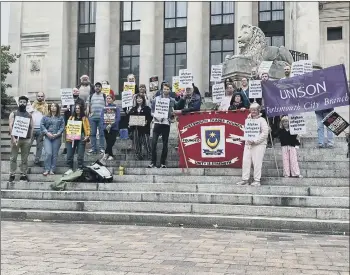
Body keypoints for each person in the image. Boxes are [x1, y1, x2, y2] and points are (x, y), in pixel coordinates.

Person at [236, 103, 269, 186]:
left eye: (255, 109)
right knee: (246, 162)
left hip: (259, 144)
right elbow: (247, 132)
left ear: (258, 110)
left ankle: (257, 180)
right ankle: (245, 179)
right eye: (251, 109)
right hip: (248, 144)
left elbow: (265, 133)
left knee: (257, 162)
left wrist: (255, 140)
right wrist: (247, 139)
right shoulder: (248, 120)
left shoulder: (262, 120)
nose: (253, 111)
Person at [149, 83, 176, 168]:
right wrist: (156, 116)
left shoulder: (172, 100)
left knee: (165, 144)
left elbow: (175, 110)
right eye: (164, 89)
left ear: (170, 90)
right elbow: (152, 111)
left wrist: (172, 116)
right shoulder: (156, 99)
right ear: (161, 90)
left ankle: (162, 163)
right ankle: (153, 162)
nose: (166, 90)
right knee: (153, 143)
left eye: (167, 89)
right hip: (157, 123)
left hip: (166, 123)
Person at [8, 95, 34, 183]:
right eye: (21, 102)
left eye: (24, 102)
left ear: (26, 103)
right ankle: (12, 174)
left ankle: (23, 174)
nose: (22, 103)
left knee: (24, 158)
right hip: (15, 139)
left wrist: (30, 138)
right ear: (18, 103)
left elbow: (32, 127)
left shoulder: (29, 115)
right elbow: (10, 125)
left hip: (26, 139)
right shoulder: (13, 113)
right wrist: (13, 138)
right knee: (13, 158)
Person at [65, 104, 90, 176]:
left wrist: (87, 136)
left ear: (81, 109)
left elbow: (88, 128)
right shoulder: (71, 117)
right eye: (76, 108)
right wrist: (68, 130)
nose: (77, 109)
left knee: (80, 155)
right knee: (69, 154)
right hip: (71, 137)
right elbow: (67, 126)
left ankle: (80, 168)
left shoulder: (84, 118)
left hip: (81, 137)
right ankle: (70, 168)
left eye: (78, 108)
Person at [40, 103, 65, 176]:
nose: (53, 107)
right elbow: (42, 125)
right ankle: (47, 169)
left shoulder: (60, 117)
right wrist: (47, 133)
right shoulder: (45, 117)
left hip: (56, 137)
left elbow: (62, 127)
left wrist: (58, 133)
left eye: (55, 106)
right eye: (52, 106)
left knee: (54, 154)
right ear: (50, 108)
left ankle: (52, 169)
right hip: (48, 137)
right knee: (48, 153)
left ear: (57, 108)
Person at [61, 88, 85, 154]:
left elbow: (84, 110)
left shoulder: (81, 101)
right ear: (72, 92)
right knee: (67, 133)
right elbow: (61, 109)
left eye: (77, 91)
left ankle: (77, 147)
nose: (75, 92)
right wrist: (67, 108)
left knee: (77, 132)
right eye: (74, 91)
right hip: (68, 118)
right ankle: (66, 147)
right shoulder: (67, 100)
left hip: (78, 119)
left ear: (79, 93)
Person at [129, 94, 153, 160]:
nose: (139, 99)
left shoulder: (147, 108)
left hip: (144, 128)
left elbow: (150, 117)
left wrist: (147, 121)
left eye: (140, 98)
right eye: (137, 98)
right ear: (135, 100)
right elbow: (129, 118)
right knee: (137, 143)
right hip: (135, 129)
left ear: (143, 100)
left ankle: (150, 155)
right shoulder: (133, 109)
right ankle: (138, 155)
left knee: (146, 142)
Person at [87, 82, 106, 154]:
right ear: (94, 88)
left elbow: (107, 106)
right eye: (96, 86)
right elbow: (88, 105)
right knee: (92, 134)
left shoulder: (104, 96)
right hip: (92, 118)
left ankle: (101, 148)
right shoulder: (91, 96)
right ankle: (93, 148)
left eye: (99, 86)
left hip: (102, 118)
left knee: (102, 134)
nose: (97, 88)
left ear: (101, 88)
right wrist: (88, 114)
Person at [100, 94, 121, 160]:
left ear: (113, 99)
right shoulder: (104, 108)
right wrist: (105, 126)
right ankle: (111, 155)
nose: (108, 99)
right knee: (108, 141)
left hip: (114, 127)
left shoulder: (116, 108)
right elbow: (101, 117)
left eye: (110, 98)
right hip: (105, 127)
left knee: (112, 141)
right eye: (107, 98)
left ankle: (106, 153)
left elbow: (118, 118)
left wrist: (111, 125)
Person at [31, 92, 49, 165]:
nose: (40, 97)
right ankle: (25, 160)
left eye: (41, 96)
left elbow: (47, 117)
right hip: (32, 129)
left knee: (39, 146)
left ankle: (37, 160)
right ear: (36, 97)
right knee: (28, 145)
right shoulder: (32, 105)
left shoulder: (46, 106)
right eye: (38, 96)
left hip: (41, 129)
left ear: (44, 97)